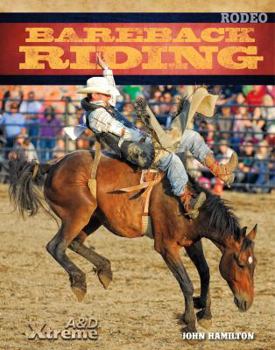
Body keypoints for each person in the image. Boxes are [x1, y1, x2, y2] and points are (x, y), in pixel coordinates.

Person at [77, 53, 238, 218]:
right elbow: (123, 131)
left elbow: (113, 92)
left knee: (191, 136)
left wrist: (106, 69)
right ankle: (187, 201)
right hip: (133, 150)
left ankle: (220, 171)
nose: (109, 95)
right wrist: (152, 136)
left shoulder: (102, 104)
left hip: (142, 141)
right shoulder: (96, 115)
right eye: (104, 93)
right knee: (171, 159)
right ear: (95, 95)